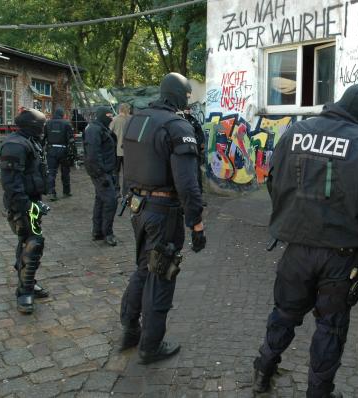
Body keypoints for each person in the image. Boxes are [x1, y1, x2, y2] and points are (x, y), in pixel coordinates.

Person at [253, 84, 358, 397]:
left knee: (284, 313)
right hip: (341, 256)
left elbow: (273, 180)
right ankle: (318, 392)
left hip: (296, 248)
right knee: (330, 327)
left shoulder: (296, 133)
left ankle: (263, 369)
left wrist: (290, 216)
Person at [118, 72, 206, 365]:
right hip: (163, 211)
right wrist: (196, 224)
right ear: (180, 95)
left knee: (145, 267)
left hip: (137, 207)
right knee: (162, 273)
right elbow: (188, 184)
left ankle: (130, 329)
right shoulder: (177, 126)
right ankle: (150, 346)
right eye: (187, 96)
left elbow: (126, 165)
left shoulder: (136, 120)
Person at [0, 108, 51, 314]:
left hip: (31, 200)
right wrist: (26, 206)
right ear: (33, 126)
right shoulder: (15, 144)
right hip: (22, 203)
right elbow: (11, 182)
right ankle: (24, 293)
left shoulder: (29, 140)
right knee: (33, 244)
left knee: (26, 242)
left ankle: (28, 282)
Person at [83, 106, 118, 246]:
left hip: (105, 171)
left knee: (101, 200)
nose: (110, 118)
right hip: (101, 172)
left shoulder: (101, 128)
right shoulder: (94, 129)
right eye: (108, 115)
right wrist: (100, 174)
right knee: (110, 201)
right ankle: (107, 232)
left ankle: (98, 231)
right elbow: (92, 155)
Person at [44, 107, 74, 201]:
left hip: (51, 150)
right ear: (62, 114)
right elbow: (71, 139)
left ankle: (51, 193)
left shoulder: (48, 123)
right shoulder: (66, 123)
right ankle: (66, 191)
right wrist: (73, 153)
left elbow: (44, 137)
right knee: (65, 171)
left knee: (51, 172)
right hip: (63, 150)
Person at [110, 103, 131, 196]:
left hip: (116, 150)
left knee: (115, 172)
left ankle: (116, 191)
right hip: (128, 151)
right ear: (128, 110)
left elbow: (109, 133)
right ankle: (126, 192)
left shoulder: (114, 120)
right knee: (127, 173)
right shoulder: (132, 119)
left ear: (119, 109)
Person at [183, 106, 205, 195]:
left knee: (196, 172)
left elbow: (200, 133)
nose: (187, 111)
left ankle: (198, 194)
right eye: (186, 110)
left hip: (195, 150)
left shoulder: (193, 121)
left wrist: (199, 144)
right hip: (183, 151)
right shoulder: (179, 120)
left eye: (188, 110)